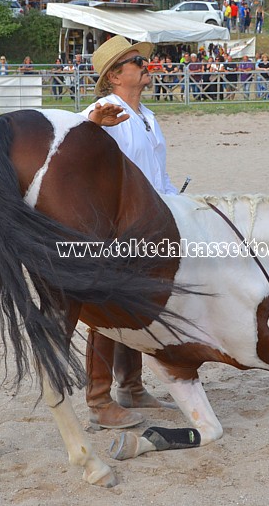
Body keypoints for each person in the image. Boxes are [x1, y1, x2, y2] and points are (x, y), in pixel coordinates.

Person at [78, 35, 177, 430]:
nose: (144, 64)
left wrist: (181, 208)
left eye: (141, 59)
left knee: (134, 306)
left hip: (148, 221)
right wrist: (91, 127)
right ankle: (99, 400)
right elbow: (74, 154)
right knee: (107, 309)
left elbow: (160, 176)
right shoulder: (104, 111)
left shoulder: (148, 116)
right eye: (136, 61)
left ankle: (132, 388)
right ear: (115, 76)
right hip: (113, 227)